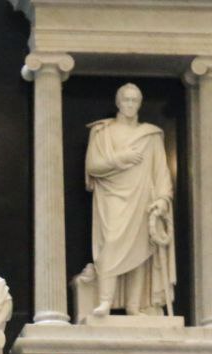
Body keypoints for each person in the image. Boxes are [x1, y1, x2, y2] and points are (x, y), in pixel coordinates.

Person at [85, 83, 176, 317]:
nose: (130, 104)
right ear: (118, 102)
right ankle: (105, 302)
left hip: (143, 198)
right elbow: (93, 166)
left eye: (134, 100)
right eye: (126, 100)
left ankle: (134, 305)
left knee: (141, 250)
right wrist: (120, 158)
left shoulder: (151, 135)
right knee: (111, 243)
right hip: (112, 198)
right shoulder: (103, 132)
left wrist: (163, 199)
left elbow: (161, 171)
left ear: (140, 104)